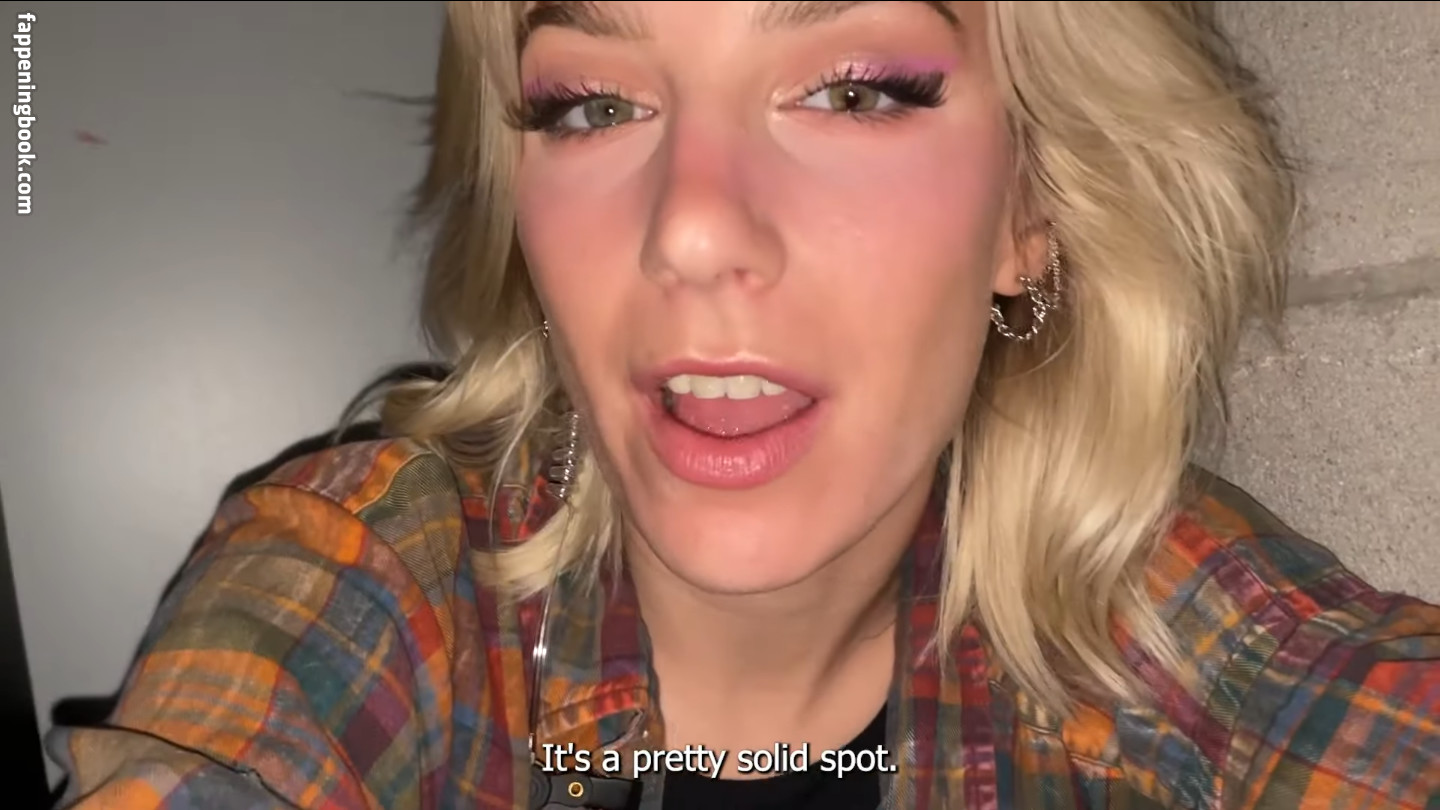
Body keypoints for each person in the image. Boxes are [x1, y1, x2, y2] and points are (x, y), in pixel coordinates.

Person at [47, 2, 1440, 809]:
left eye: (852, 92)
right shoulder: (372, 573)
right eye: (592, 106)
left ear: (1032, 209)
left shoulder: (1198, 655)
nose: (692, 228)